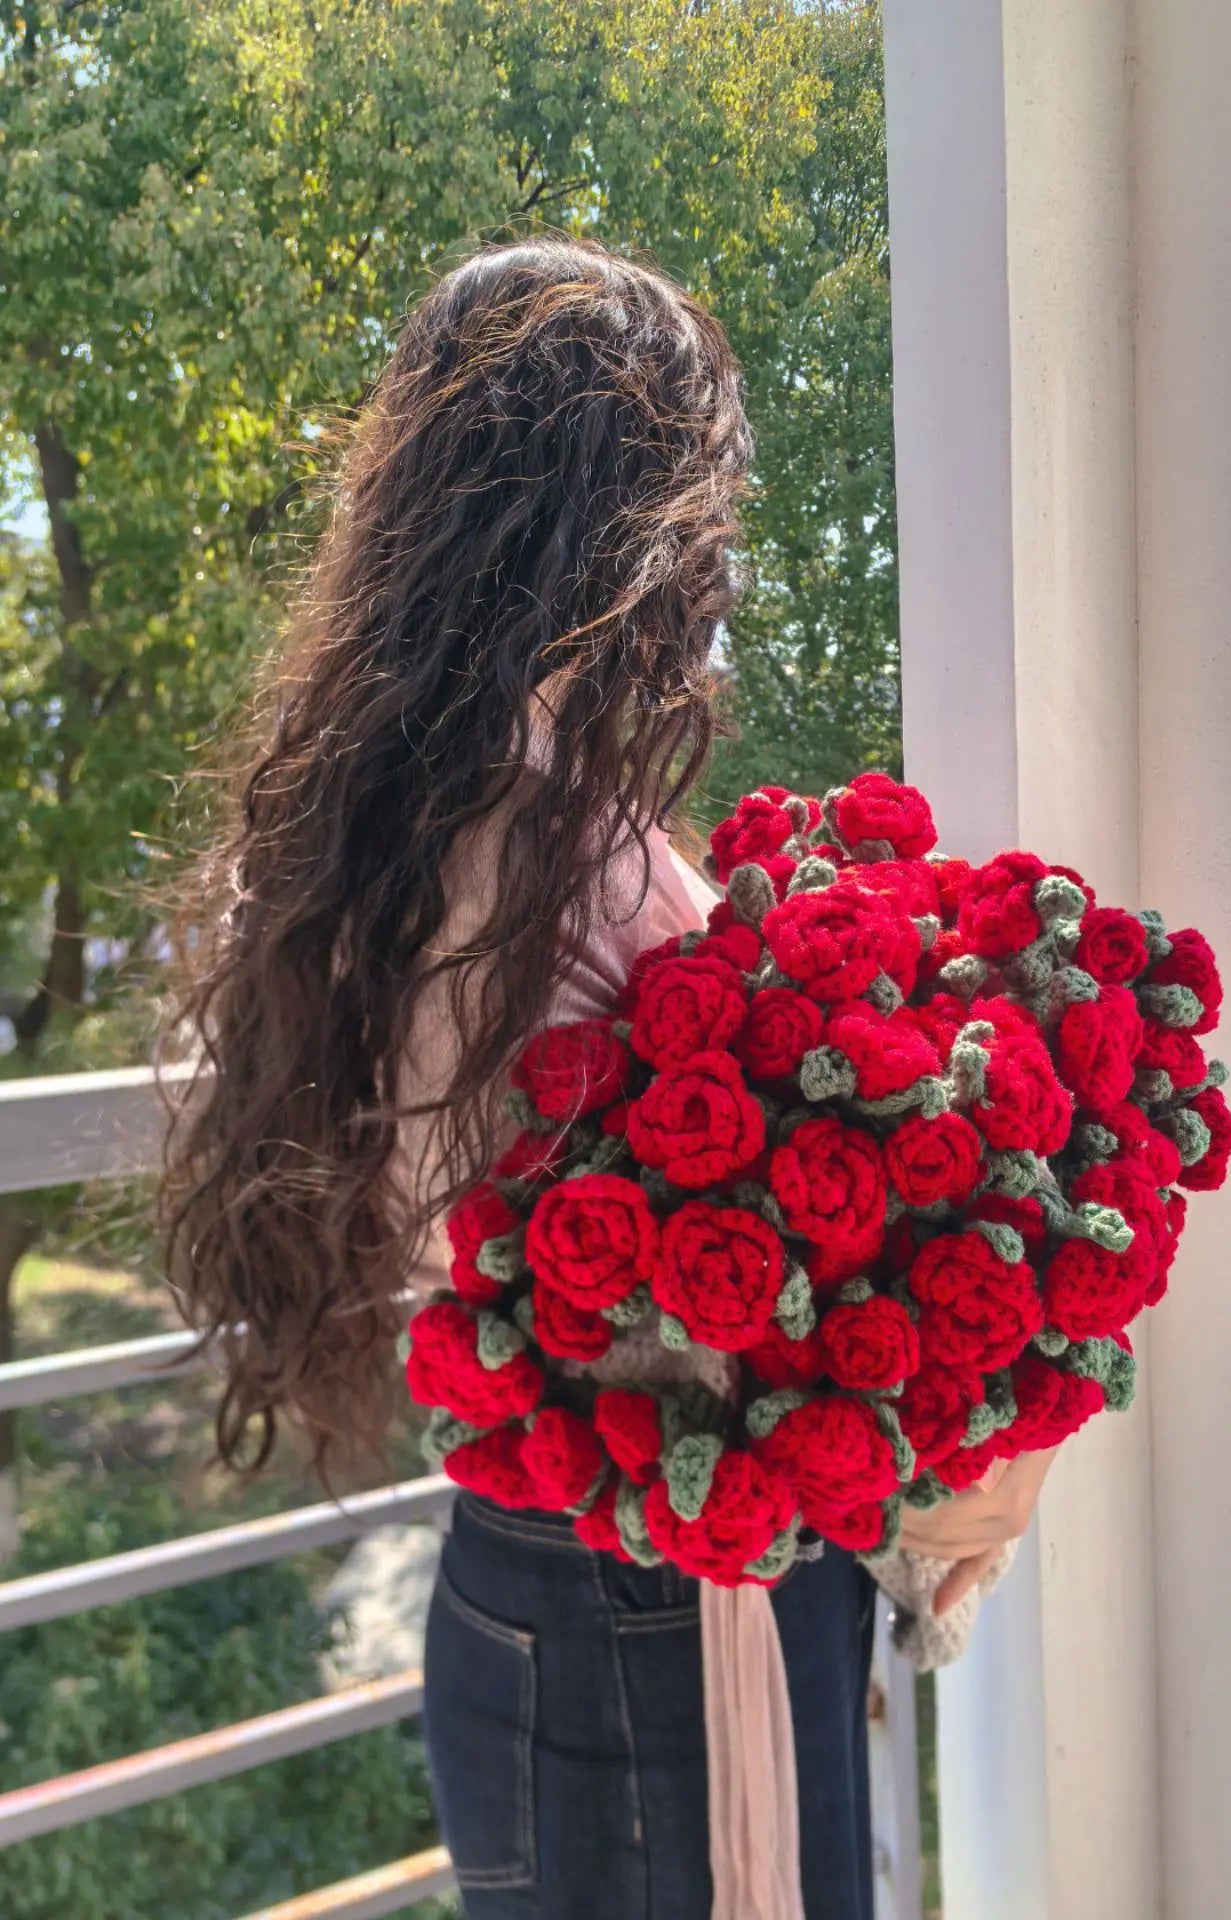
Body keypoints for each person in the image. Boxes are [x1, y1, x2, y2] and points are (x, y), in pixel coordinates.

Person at [161, 235, 1054, 1920]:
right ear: (624, 513)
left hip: (544, 1576)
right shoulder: (552, 854)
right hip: (649, 1611)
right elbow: (688, 1317)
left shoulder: (399, 809)